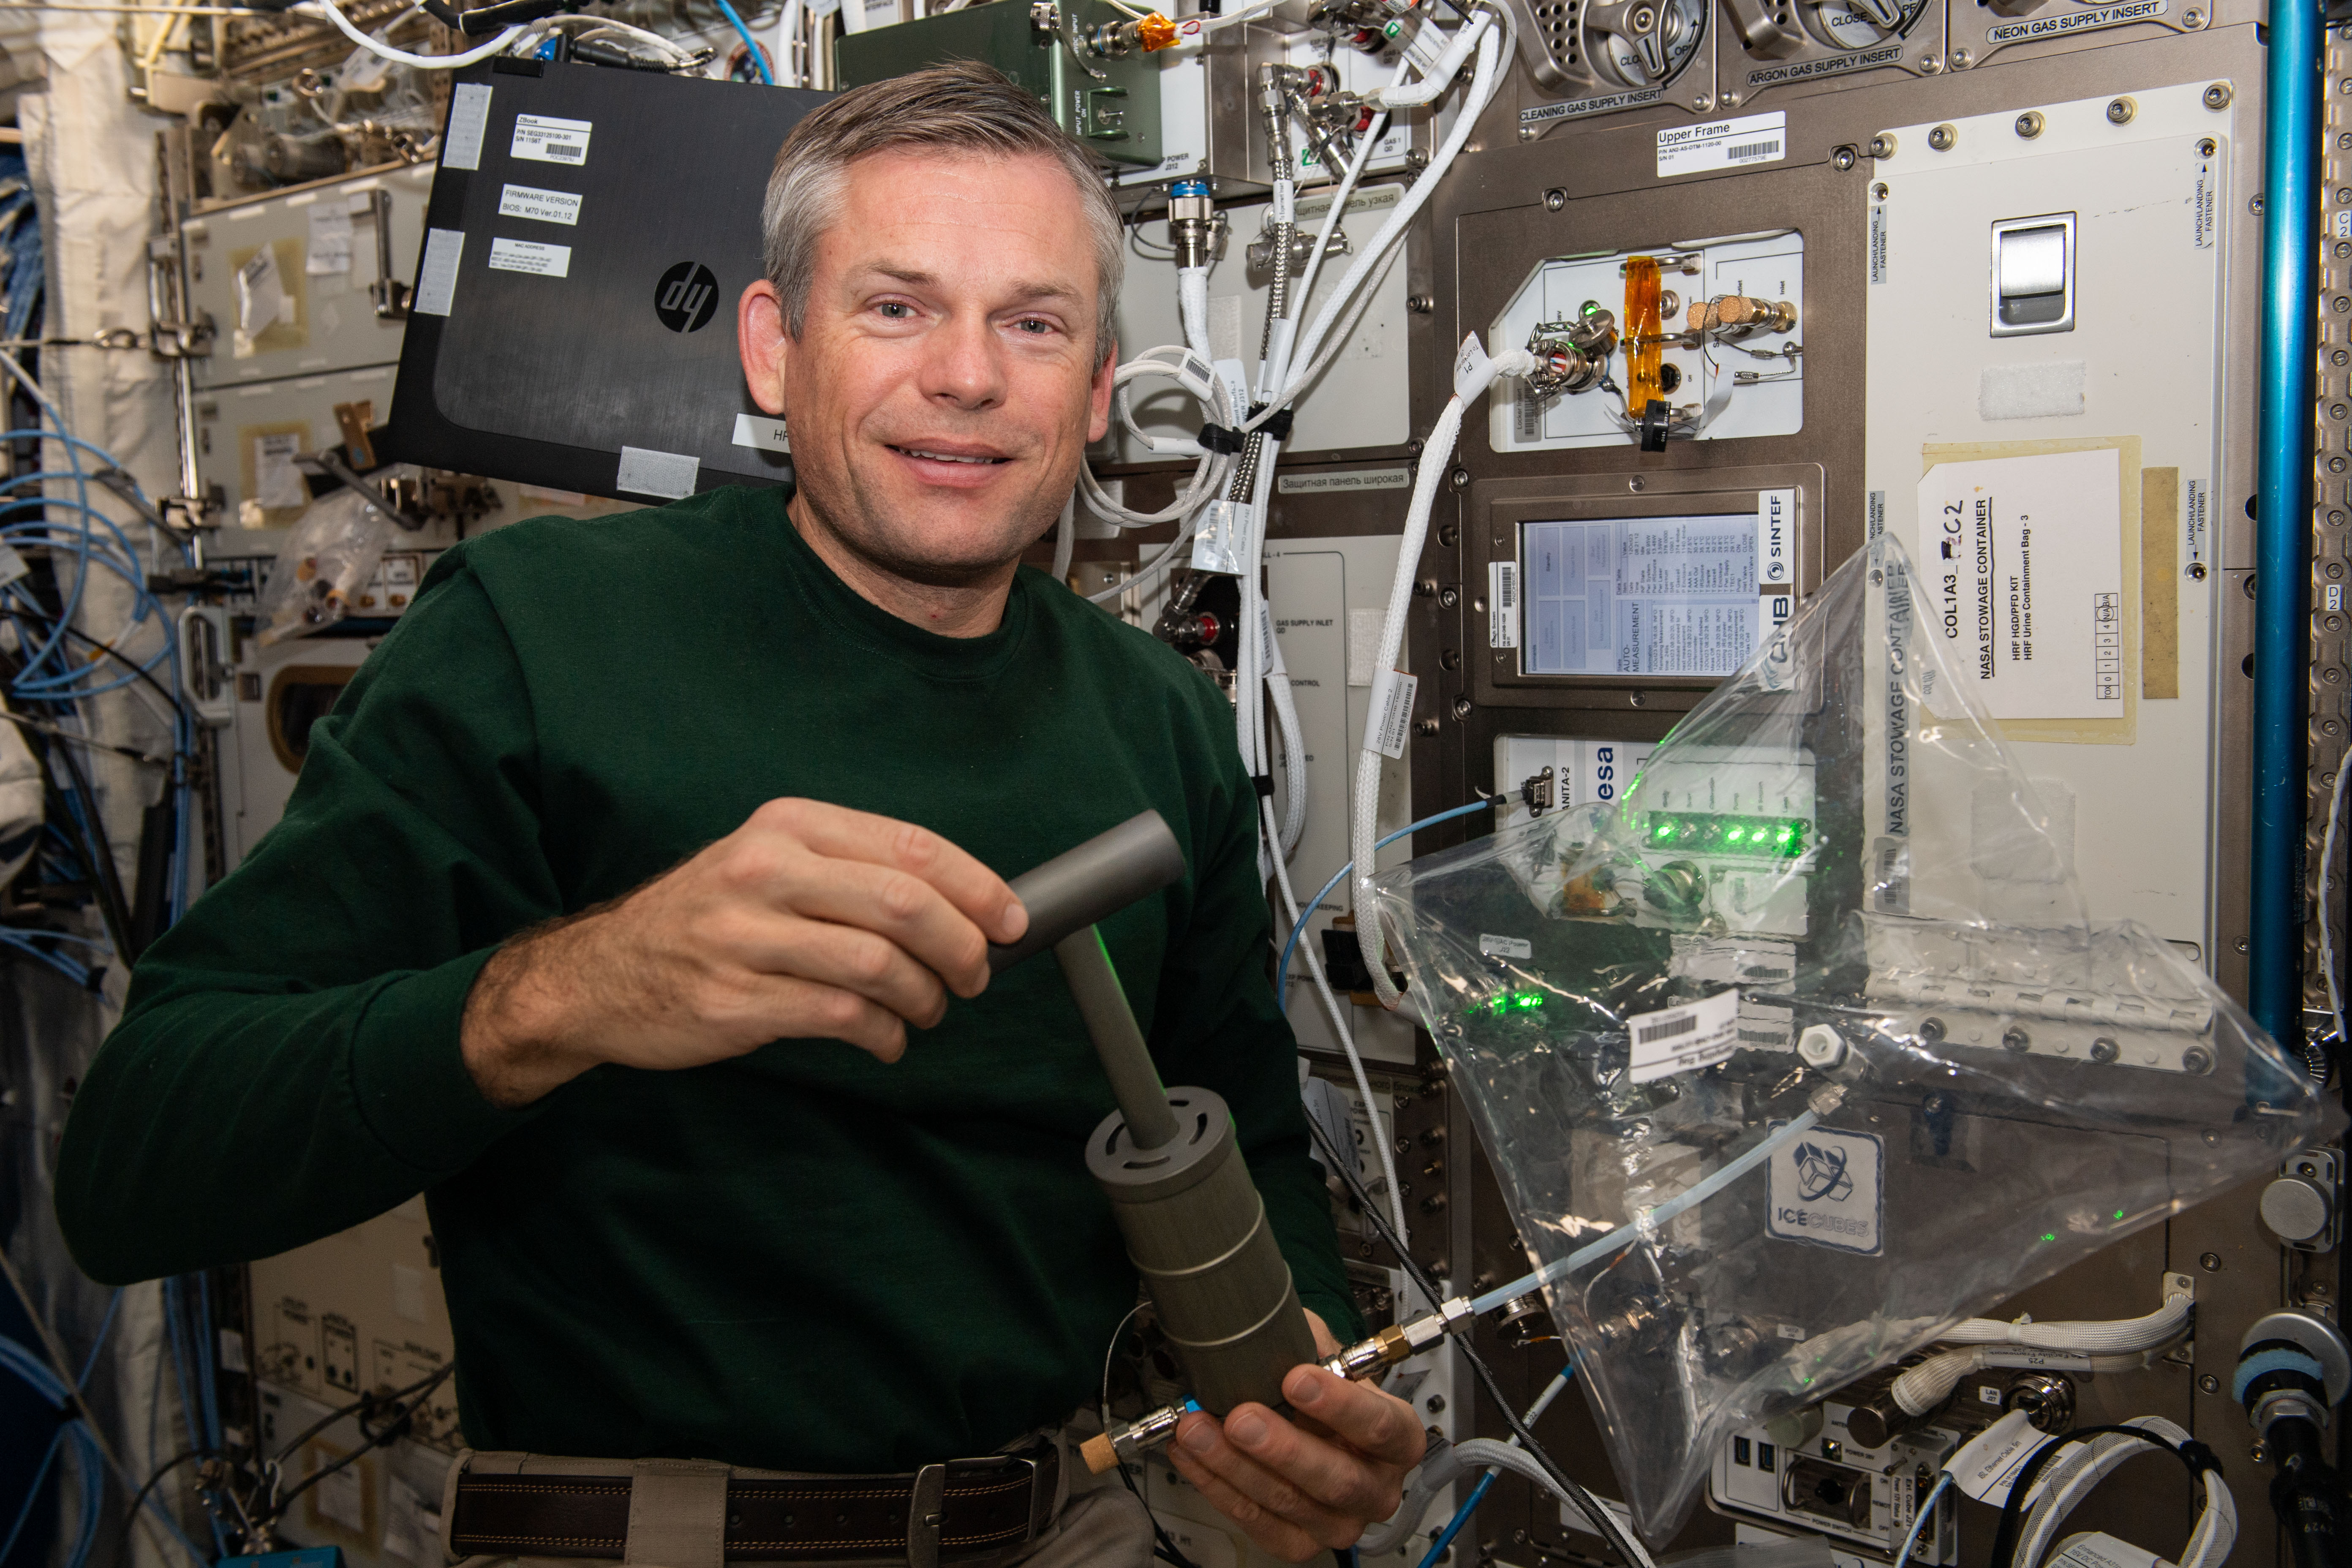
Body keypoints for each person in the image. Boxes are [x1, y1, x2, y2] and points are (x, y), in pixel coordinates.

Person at [55, 60, 1425, 1567]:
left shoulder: (1155, 718)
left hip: (1073, 1517)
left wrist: (1304, 1387)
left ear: (1098, 386)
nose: (968, 376)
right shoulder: (541, 634)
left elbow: (1256, 1138)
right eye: (896, 306)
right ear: (773, 349)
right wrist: (569, 992)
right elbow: (135, 1163)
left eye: (1032, 323)